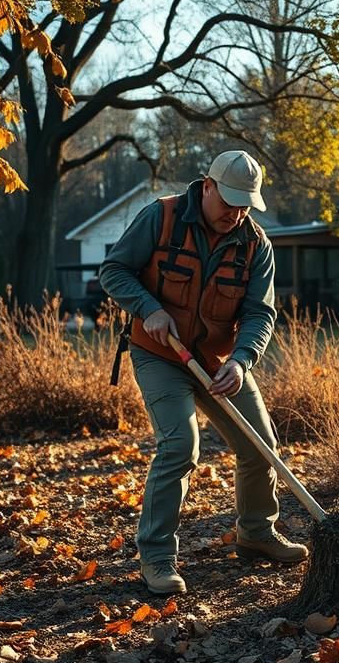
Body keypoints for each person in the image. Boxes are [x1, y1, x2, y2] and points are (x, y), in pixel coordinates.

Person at [99, 149, 307, 595]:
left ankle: (256, 533)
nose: (235, 212)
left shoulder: (256, 246)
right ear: (206, 186)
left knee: (261, 444)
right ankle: (156, 557)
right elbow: (114, 270)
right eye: (228, 200)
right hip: (159, 353)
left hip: (218, 362)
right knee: (180, 445)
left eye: (245, 204)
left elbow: (259, 314)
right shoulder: (163, 218)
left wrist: (242, 359)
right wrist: (149, 308)